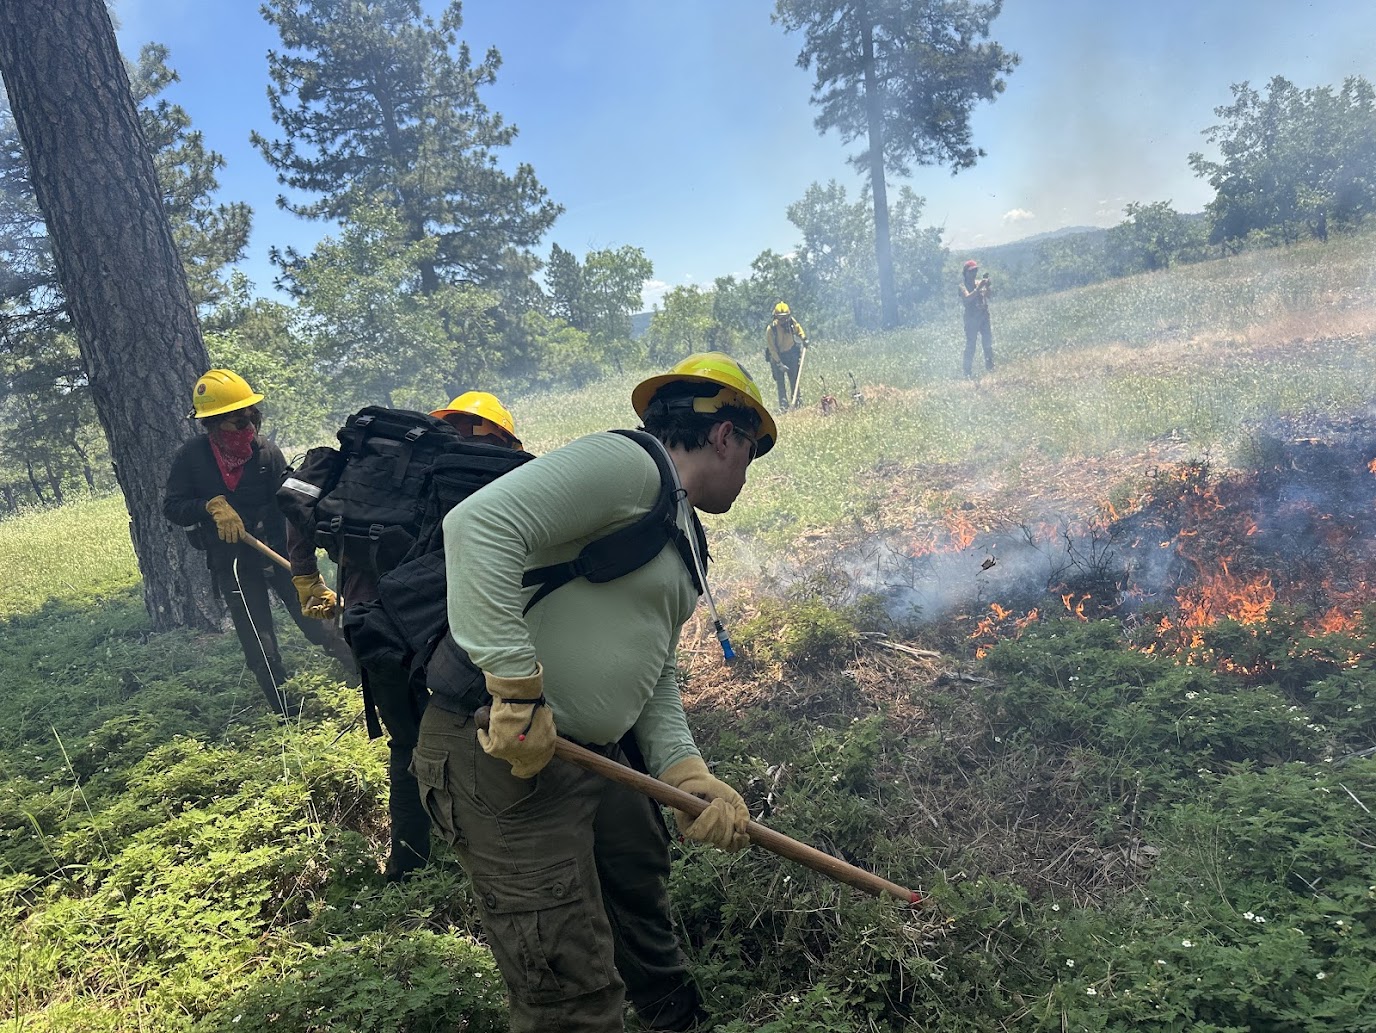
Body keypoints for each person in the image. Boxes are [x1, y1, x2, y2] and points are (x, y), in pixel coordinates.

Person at [412, 352, 777, 1032]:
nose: (747, 473)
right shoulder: (630, 467)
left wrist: (684, 771)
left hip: (591, 756)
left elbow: (654, 670)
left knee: (637, 885)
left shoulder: (683, 532)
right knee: (564, 980)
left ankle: (675, 1019)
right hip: (501, 746)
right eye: (752, 454)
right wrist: (516, 690)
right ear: (726, 435)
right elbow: (477, 526)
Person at [288, 390, 524, 883]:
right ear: (502, 438)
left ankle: (408, 863)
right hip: (440, 630)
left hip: (369, 625)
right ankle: (491, 847)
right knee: (479, 728)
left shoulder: (381, 473)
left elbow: (302, 504)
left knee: (407, 742)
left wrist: (307, 577)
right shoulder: (482, 478)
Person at [163, 368, 356, 718]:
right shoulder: (192, 457)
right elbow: (173, 506)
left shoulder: (267, 452)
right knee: (259, 642)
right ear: (213, 424)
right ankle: (287, 715)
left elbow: (291, 507)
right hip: (235, 564)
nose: (247, 428)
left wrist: (305, 566)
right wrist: (209, 506)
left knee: (321, 623)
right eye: (237, 421)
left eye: (250, 417)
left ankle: (362, 680)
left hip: (278, 550)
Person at [764, 301, 806, 410]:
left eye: (785, 317)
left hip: (791, 354)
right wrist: (779, 363)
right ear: (776, 317)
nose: (783, 320)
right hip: (778, 357)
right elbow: (772, 349)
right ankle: (783, 405)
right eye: (781, 317)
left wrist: (804, 338)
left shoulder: (791, 322)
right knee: (780, 383)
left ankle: (797, 401)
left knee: (794, 379)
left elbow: (798, 328)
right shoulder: (771, 329)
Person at [959, 259, 994, 378]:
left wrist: (987, 286)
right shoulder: (962, 286)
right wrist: (979, 288)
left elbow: (989, 296)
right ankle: (967, 371)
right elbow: (967, 298)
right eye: (971, 271)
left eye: (975, 271)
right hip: (971, 318)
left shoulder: (979, 282)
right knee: (971, 345)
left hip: (983, 316)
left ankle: (990, 367)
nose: (974, 273)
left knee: (987, 342)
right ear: (965, 273)